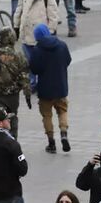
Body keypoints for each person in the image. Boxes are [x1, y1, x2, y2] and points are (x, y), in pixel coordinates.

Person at [28, 24, 72, 155]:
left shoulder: (37, 50)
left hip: (45, 89)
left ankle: (51, 142)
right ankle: (63, 133)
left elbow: (34, 69)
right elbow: (68, 60)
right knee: (62, 111)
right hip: (61, 86)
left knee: (47, 115)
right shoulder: (62, 45)